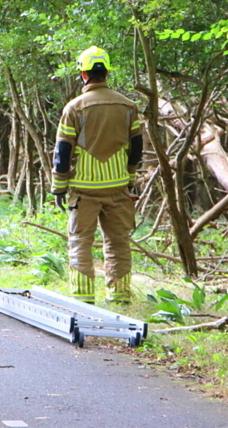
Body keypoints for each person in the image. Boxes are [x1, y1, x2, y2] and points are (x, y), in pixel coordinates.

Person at [52, 46, 143, 305]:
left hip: (84, 190)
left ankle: (82, 299)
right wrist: (130, 177)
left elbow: (62, 151)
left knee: (80, 241)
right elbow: (136, 148)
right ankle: (120, 296)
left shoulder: (75, 107)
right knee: (118, 243)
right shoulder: (128, 105)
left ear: (83, 74)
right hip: (117, 188)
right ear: (106, 73)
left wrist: (58, 186)